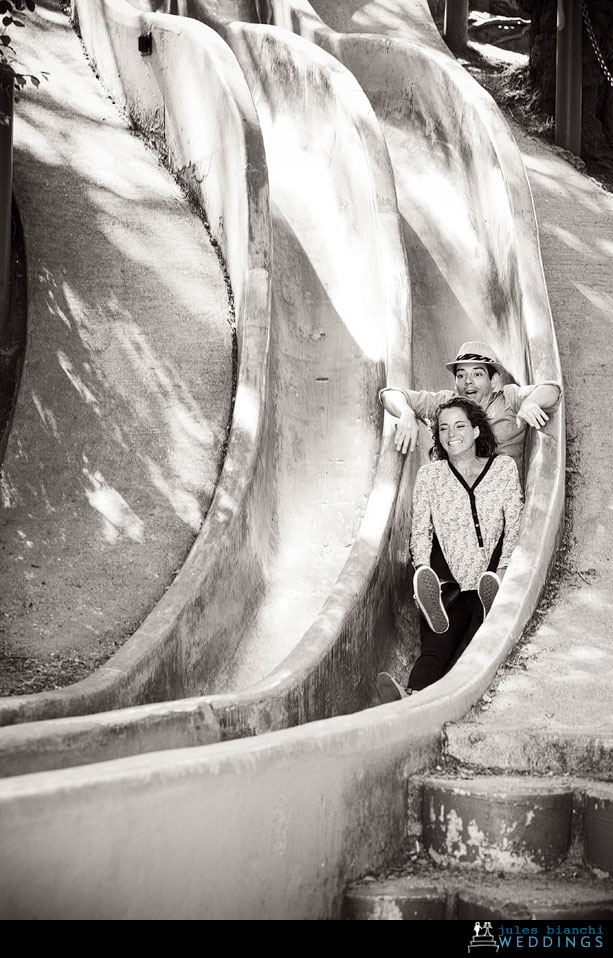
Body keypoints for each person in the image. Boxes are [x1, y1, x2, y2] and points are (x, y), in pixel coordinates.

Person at [376, 397, 523, 703]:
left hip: (489, 576)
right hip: (450, 584)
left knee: (473, 642)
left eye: (459, 426)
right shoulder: (431, 475)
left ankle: (491, 605)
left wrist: (504, 569)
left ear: (476, 431)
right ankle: (410, 696)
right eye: (443, 428)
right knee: (435, 648)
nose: (450, 433)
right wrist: (422, 571)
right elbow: (420, 532)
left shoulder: (503, 468)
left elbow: (515, 525)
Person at [380, 341, 561, 476]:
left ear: (493, 381)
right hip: (458, 499)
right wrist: (406, 412)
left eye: (477, 374)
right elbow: (389, 394)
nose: (468, 381)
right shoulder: (447, 403)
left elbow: (552, 390)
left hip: (500, 496)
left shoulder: (508, 399)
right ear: (455, 382)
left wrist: (531, 402)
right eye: (461, 375)